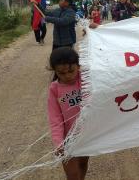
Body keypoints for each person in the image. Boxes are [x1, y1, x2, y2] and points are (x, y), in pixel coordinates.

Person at [47, 47, 89, 180]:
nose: (68, 76)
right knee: (72, 174)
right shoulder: (55, 89)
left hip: (86, 135)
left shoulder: (86, 79)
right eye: (61, 73)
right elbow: (55, 118)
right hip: (68, 139)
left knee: (83, 164)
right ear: (55, 71)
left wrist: (95, 30)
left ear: (78, 66)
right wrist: (59, 142)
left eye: (71, 71)